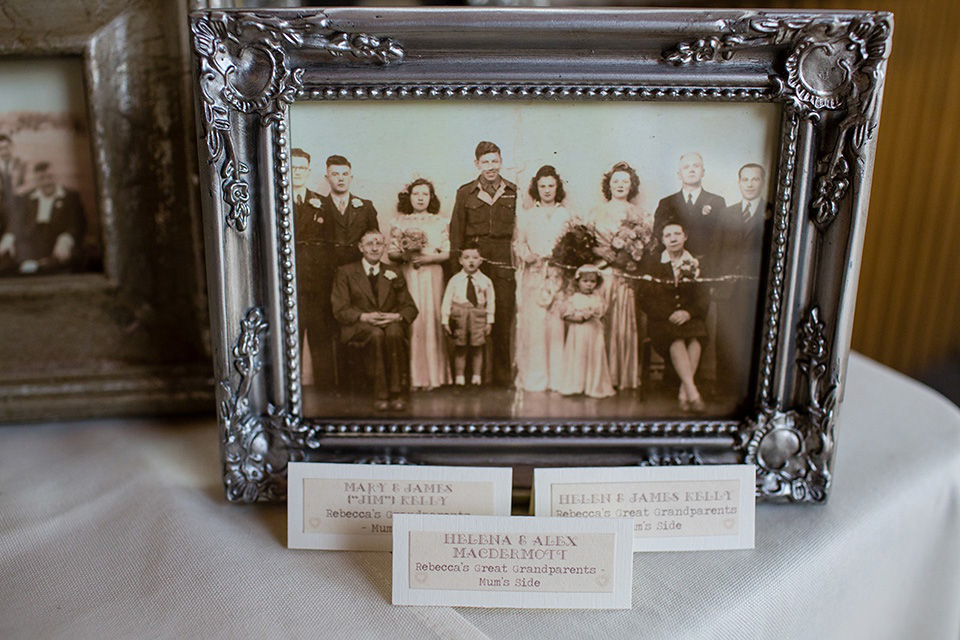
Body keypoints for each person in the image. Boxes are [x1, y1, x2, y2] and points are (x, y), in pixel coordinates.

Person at [449, 141, 517, 387]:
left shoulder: (513, 190)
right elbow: (456, 231)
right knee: (469, 317)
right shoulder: (465, 192)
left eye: (495, 161)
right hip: (473, 260)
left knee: (502, 316)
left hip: (502, 260)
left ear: (501, 162)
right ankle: (467, 378)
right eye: (485, 162)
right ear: (477, 164)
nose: (490, 167)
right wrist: (454, 269)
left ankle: (501, 378)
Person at [330, 231, 418, 411]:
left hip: (388, 323)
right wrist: (365, 317)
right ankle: (381, 394)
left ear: (384, 248)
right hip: (358, 325)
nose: (375, 247)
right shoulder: (345, 272)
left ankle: (396, 392)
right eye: (370, 244)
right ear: (361, 248)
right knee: (377, 334)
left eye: (379, 244)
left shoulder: (393, 272)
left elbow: (409, 307)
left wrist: (396, 316)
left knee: (394, 331)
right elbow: (340, 309)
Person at [588, 161, 653, 391]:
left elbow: (644, 248)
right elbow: (587, 243)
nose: (620, 185)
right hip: (602, 275)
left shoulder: (640, 215)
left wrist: (630, 258)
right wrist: (598, 251)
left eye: (625, 181)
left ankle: (620, 376)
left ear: (631, 185)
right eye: (616, 181)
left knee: (624, 325)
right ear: (609, 184)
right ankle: (600, 377)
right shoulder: (596, 212)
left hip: (625, 276)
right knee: (601, 323)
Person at [317, 154, 380, 387]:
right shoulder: (318, 205)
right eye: (335, 174)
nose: (340, 179)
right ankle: (339, 384)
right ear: (327, 177)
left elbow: (374, 242)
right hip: (327, 276)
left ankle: (364, 382)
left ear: (351, 177)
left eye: (344, 174)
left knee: (361, 327)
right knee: (333, 327)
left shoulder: (365, 206)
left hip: (358, 278)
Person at [714, 163, 771, 404]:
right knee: (724, 336)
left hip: (755, 290)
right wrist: (715, 284)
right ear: (739, 183)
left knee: (749, 337)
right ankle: (722, 389)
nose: (749, 184)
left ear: (762, 183)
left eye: (754, 179)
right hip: (728, 287)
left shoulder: (772, 212)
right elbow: (716, 249)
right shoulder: (727, 213)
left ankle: (747, 392)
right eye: (745, 180)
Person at [387, 178, 451, 390]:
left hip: (432, 273)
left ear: (431, 197)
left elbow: (447, 253)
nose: (421, 198)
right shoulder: (399, 222)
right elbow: (392, 252)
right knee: (412, 319)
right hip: (409, 275)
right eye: (416, 194)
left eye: (425, 194)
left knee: (431, 317)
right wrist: (406, 256)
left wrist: (429, 259)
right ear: (409, 197)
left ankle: (434, 376)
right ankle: (412, 377)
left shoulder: (440, 222)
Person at [641, 221, 710, 412]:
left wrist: (688, 313)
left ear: (685, 236)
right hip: (662, 321)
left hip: (690, 318)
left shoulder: (695, 262)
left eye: (677, 234)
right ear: (662, 240)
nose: (673, 239)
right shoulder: (653, 263)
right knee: (677, 338)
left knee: (696, 337)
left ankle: (684, 392)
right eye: (668, 235)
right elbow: (644, 298)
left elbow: (704, 297)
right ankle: (692, 392)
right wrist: (668, 313)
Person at [513, 165, 571, 392]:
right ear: (536, 188)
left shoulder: (565, 215)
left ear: (557, 188)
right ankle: (535, 378)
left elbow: (571, 245)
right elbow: (520, 243)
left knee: (555, 326)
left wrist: (560, 259)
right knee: (535, 326)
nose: (547, 190)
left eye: (551, 186)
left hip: (557, 275)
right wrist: (530, 257)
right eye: (542, 186)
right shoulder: (528, 215)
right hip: (535, 274)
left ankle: (557, 378)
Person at [292, 148, 335, 389]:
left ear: (309, 171)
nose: (297, 172)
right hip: (290, 278)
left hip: (317, 281)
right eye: (293, 167)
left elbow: (329, 245)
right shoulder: (275, 199)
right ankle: (289, 393)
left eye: (302, 168)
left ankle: (326, 392)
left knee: (320, 336)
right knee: (291, 336)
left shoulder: (321, 203)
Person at [5, 162, 86, 275]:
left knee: (68, 258)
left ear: (55, 177)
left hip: (58, 241)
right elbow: (17, 223)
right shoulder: (26, 198)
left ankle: (44, 266)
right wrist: (9, 237)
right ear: (36, 180)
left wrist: (66, 238)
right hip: (32, 243)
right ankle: (32, 266)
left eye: (49, 177)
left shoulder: (70, 197)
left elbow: (77, 224)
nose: (46, 182)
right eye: (41, 178)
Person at [653, 153, 726, 262]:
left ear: (703, 172)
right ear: (679, 175)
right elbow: (659, 236)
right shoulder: (666, 203)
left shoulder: (717, 202)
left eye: (696, 166)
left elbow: (721, 238)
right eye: (686, 167)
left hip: (708, 264)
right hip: (674, 265)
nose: (691, 170)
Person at [441, 241, 495, 387]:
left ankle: (476, 377)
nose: (471, 261)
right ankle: (459, 377)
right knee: (460, 347)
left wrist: (489, 321)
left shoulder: (486, 281)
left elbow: (491, 301)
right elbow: (447, 300)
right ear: (460, 260)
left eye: (475, 257)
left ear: (481, 260)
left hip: (478, 315)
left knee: (478, 346)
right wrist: (445, 320)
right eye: (466, 257)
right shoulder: (455, 280)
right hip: (460, 315)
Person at [557, 264, 615, 399]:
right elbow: (566, 316)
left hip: (594, 332)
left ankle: (593, 385)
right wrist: (580, 318)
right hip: (579, 333)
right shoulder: (573, 298)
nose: (589, 284)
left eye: (592, 281)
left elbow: (601, 313)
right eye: (585, 281)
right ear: (578, 281)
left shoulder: (598, 299)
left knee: (593, 356)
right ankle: (577, 385)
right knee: (579, 356)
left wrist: (595, 313)